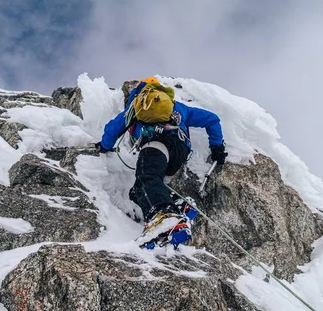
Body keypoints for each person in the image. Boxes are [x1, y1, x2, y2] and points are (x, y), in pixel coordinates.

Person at [96, 77, 227, 247]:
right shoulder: (177, 107)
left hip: (156, 146)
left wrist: (104, 147)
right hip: (180, 152)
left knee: (145, 179)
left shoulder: (138, 105)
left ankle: (164, 216)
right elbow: (212, 118)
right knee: (137, 191)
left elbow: (113, 128)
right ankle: (177, 205)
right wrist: (216, 146)